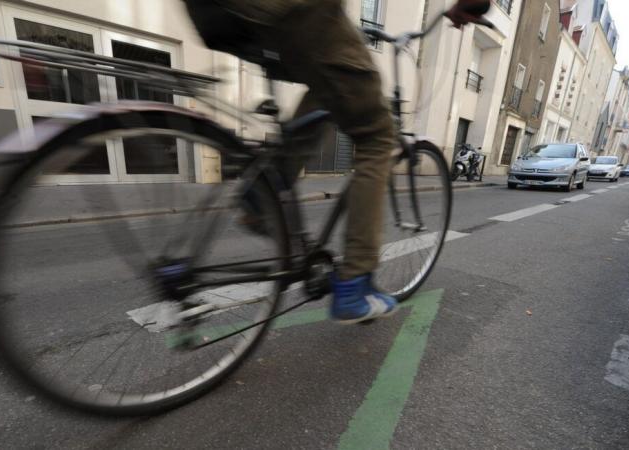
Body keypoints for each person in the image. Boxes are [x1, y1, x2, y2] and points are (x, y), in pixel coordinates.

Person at [184, 0, 491, 323]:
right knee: (377, 136)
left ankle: (262, 196)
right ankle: (353, 285)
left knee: (327, 87)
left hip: (215, 13)